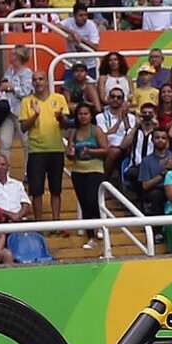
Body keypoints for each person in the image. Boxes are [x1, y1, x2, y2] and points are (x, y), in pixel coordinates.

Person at [19, 71, 70, 221]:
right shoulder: (26, 101)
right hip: (36, 151)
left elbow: (66, 125)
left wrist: (61, 117)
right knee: (36, 190)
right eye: (34, 80)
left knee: (56, 189)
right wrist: (35, 115)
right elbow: (23, 128)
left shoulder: (59, 98)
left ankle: (56, 222)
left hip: (56, 149)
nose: (38, 82)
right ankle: (39, 223)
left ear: (47, 81)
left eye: (41, 79)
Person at [68, 103, 105, 249]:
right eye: (80, 114)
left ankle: (100, 225)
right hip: (78, 171)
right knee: (84, 203)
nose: (83, 117)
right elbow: (70, 152)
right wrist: (70, 153)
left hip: (95, 169)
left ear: (91, 116)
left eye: (86, 114)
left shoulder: (96, 131)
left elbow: (106, 149)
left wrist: (90, 151)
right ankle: (90, 237)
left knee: (92, 200)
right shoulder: (74, 132)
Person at [0, 153, 32, 222]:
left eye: (3, 164)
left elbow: (26, 203)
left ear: (8, 167)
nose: (0, 167)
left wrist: (18, 215)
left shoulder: (17, 184)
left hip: (20, 220)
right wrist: (10, 215)